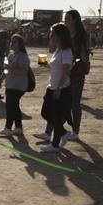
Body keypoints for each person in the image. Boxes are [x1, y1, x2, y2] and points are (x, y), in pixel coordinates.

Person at [35, 22, 73, 154]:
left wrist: (59, 88)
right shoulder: (58, 50)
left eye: (52, 33)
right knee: (46, 113)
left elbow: (65, 72)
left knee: (55, 115)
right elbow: (56, 69)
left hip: (60, 88)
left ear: (59, 36)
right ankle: (63, 133)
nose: (50, 35)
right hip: (52, 86)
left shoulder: (67, 52)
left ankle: (55, 144)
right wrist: (46, 66)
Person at [62, 9, 91, 142]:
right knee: (63, 101)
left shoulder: (81, 35)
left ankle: (75, 131)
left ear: (74, 20)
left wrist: (79, 63)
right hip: (65, 70)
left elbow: (85, 55)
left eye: (67, 18)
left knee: (75, 103)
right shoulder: (66, 34)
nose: (65, 21)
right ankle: (56, 129)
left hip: (76, 73)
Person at [0, 32, 31, 137]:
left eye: (14, 42)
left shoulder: (23, 56)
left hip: (19, 86)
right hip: (10, 84)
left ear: (20, 44)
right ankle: (18, 127)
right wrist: (2, 78)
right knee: (14, 106)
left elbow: (23, 71)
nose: (11, 43)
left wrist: (10, 69)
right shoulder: (11, 55)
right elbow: (7, 69)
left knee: (10, 106)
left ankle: (8, 128)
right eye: (11, 41)